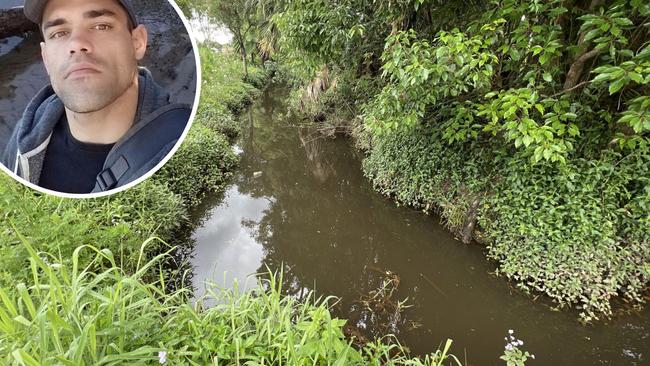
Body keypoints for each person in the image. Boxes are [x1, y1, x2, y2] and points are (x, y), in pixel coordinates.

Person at [1, 0, 191, 194]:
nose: (76, 44)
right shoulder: (26, 133)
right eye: (59, 33)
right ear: (46, 57)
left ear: (138, 43)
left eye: (101, 26)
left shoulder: (177, 143)